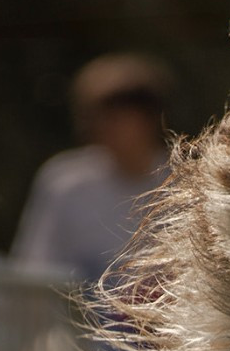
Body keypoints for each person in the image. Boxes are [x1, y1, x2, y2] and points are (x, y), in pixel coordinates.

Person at [10, 53, 172, 285]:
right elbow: (34, 267)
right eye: (96, 116)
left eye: (116, 117)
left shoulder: (184, 182)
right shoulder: (64, 181)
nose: (102, 127)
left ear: (150, 119)